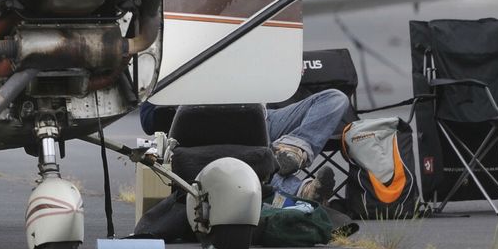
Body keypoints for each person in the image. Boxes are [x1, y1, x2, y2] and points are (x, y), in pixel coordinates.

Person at [138, 88, 350, 205]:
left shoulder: (243, 37)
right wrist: (175, 98)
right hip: (208, 127)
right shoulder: (171, 55)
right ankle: (301, 190)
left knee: (334, 99)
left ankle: (290, 149)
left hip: (262, 118)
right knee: (252, 153)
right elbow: (148, 120)